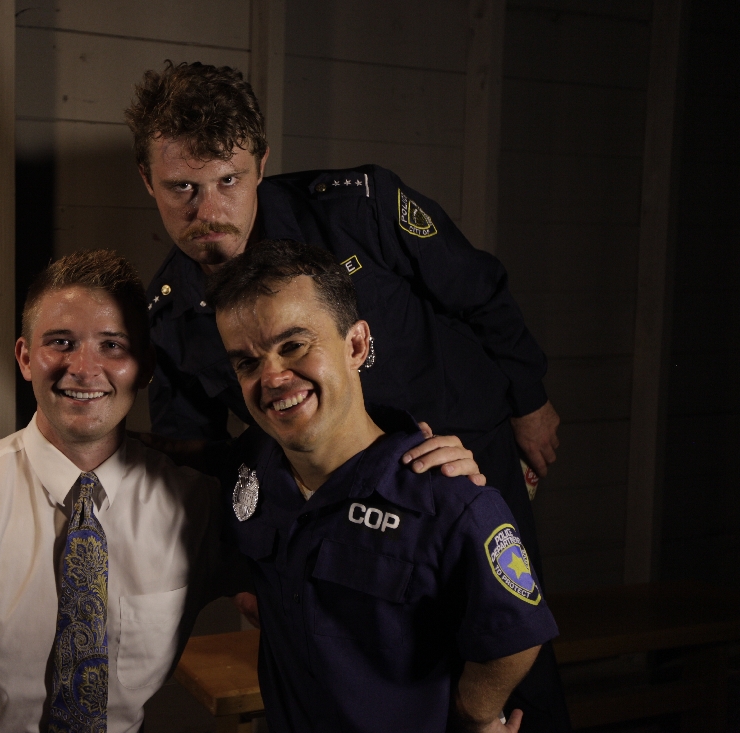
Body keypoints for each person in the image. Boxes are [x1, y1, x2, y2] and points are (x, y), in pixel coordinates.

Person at [0, 249, 476, 732]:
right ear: (25, 357)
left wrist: (406, 463)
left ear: (143, 368)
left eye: (112, 346)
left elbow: (340, 579)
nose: (85, 368)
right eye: (61, 343)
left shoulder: (200, 504)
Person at [126, 61, 569, 730]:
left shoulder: (358, 206)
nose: (208, 211)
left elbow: (478, 290)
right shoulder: (169, 314)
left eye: (228, 181)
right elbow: (199, 455)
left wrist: (529, 402)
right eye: (181, 187)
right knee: (362, 678)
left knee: (513, 671)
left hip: (460, 460)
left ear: (261, 163)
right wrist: (252, 557)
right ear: (148, 180)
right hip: (331, 509)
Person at [210, 239, 559, 733]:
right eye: (247, 363)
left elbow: (517, 635)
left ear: (356, 345)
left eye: (293, 346)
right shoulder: (251, 466)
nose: (272, 377)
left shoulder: (449, 497)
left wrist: (476, 714)